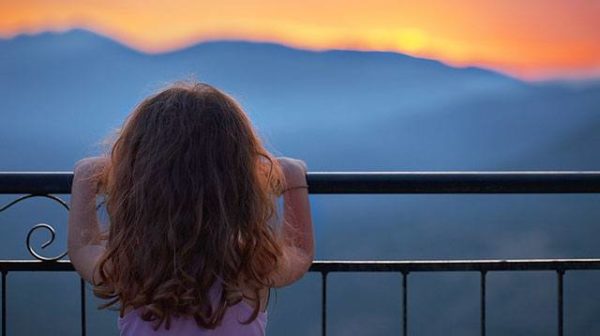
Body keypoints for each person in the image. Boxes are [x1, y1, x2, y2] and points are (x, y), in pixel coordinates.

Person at [67, 82, 314, 335]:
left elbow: (83, 247)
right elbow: (299, 251)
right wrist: (292, 175)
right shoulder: (249, 267)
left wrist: (87, 173)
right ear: (241, 182)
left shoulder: (132, 267)